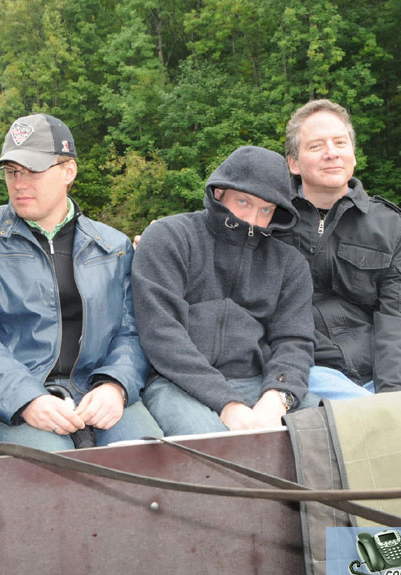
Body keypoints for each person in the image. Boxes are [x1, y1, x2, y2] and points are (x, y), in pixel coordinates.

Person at [0, 113, 162, 451]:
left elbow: (132, 331)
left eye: (32, 171)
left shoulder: (112, 246)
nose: (19, 183)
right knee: (54, 479)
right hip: (13, 400)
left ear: (68, 171)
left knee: (148, 462)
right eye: (12, 172)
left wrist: (116, 385)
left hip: (97, 391)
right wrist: (27, 399)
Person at [132, 146, 316, 435]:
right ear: (219, 193)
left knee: (325, 432)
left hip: (259, 381)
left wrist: (278, 397)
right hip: (177, 382)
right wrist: (228, 404)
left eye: (266, 209)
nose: (252, 219)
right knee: (215, 448)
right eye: (243, 202)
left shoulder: (290, 263)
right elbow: (162, 333)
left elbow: (295, 340)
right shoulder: (169, 237)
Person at [276, 99, 401, 397]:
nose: (332, 153)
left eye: (340, 142)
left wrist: (397, 392)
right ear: (293, 163)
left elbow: (400, 314)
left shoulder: (390, 227)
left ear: (353, 155)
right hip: (308, 370)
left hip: (382, 369)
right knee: (372, 420)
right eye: (316, 146)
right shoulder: (270, 222)